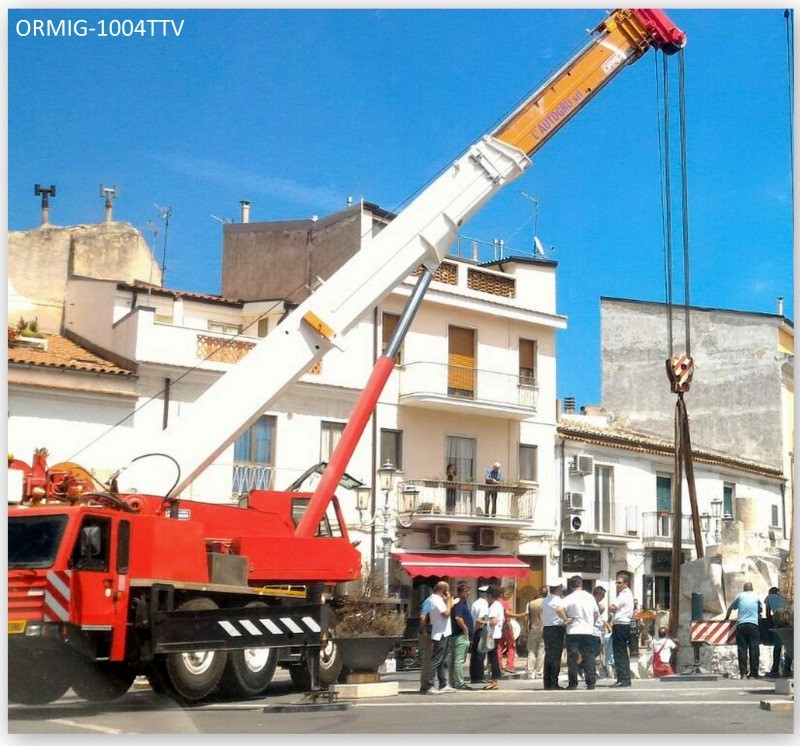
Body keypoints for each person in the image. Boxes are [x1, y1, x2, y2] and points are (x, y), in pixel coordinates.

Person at [559, 575, 600, 690]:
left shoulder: (569, 598)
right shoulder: (590, 597)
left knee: (572, 658)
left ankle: (573, 683)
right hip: (587, 631)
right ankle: (591, 682)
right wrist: (591, 623)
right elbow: (596, 613)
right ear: (581, 584)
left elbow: (558, 609)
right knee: (589, 657)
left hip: (573, 631)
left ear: (571, 586)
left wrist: (566, 619)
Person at [724, 581, 763, 679]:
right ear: (752, 589)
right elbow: (760, 609)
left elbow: (730, 608)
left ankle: (743, 674)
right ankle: (753, 674)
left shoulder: (740, 596)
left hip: (741, 625)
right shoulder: (756, 596)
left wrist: (726, 618)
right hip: (753, 625)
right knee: (754, 649)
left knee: (742, 649)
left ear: (744, 589)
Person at [423, 581, 455, 694]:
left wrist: (447, 602)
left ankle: (443, 684)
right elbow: (446, 614)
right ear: (445, 591)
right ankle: (430, 685)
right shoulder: (436, 600)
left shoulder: (438, 600)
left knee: (442, 660)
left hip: (444, 632)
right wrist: (449, 602)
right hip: (439, 633)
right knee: (436, 660)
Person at [609, 571, 634, 687]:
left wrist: (611, 607)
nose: (617, 585)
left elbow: (613, 608)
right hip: (622, 624)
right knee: (621, 651)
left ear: (626, 583)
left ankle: (623, 679)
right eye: (617, 583)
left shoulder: (624, 594)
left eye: (619, 583)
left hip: (621, 624)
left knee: (619, 652)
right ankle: (623, 678)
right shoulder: (624, 594)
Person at [542, 579, 566, 690]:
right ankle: (553, 683)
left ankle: (547, 682)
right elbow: (560, 611)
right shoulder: (559, 601)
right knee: (555, 656)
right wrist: (566, 619)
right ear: (559, 588)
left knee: (548, 656)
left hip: (547, 628)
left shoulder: (545, 600)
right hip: (556, 629)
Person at [449, 583, 473, 689]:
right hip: (460, 635)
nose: (468, 593)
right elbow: (458, 618)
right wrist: (465, 629)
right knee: (458, 660)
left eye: (468, 591)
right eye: (466, 591)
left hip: (458, 635)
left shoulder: (462, 603)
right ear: (460, 592)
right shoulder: (459, 603)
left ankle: (452, 681)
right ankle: (459, 682)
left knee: (456, 660)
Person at [481, 585, 505, 689]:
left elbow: (493, 621)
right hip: (496, 634)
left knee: (492, 658)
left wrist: (483, 622)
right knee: (493, 657)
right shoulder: (498, 604)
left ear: (490, 595)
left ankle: (494, 680)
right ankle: (494, 680)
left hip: (492, 635)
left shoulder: (494, 606)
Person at [763, 586, 791, 678]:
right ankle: (787, 670)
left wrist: (771, 620)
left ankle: (775, 671)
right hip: (789, 621)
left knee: (777, 647)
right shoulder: (785, 598)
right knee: (788, 647)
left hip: (779, 621)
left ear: (770, 592)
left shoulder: (769, 597)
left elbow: (767, 614)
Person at [496, 585, 524, 674]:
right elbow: (507, 614)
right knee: (511, 646)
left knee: (499, 646)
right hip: (506, 625)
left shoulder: (496, 602)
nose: (508, 596)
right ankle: (509, 665)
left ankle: (498, 665)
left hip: (499, 626)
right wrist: (520, 615)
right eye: (507, 594)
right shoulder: (504, 603)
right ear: (501, 594)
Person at [525, 586, 548, 679]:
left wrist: (526, 629)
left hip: (533, 628)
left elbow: (527, 618)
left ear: (539, 593)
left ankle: (530, 671)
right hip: (544, 627)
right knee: (541, 650)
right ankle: (538, 671)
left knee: (531, 650)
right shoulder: (547, 603)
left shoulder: (530, 603)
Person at [469, 585, 490, 684]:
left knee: (475, 654)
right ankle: (479, 676)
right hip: (481, 629)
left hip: (476, 630)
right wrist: (475, 629)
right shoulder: (484, 604)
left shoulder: (475, 603)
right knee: (480, 654)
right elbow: (480, 619)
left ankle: (474, 676)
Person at [590, 585, 610, 678]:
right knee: (593, 653)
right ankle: (591, 671)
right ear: (598, 594)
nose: (603, 597)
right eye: (602, 595)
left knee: (597, 652)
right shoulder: (592, 603)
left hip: (599, 631)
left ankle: (595, 671)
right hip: (594, 630)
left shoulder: (598, 605)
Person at [417, 591, 432, 693]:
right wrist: (424, 631)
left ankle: (426, 683)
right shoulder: (430, 601)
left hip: (431, 633)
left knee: (429, 657)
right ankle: (425, 684)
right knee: (428, 658)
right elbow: (423, 617)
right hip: (427, 633)